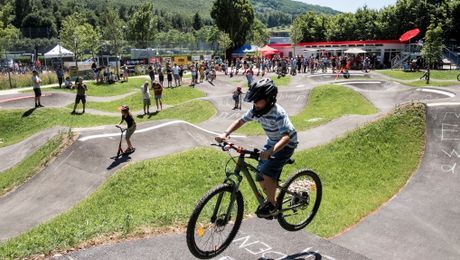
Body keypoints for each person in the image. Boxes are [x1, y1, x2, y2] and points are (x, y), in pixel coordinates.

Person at [215, 78, 298, 218]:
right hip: (272, 142)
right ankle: (272, 197)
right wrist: (225, 133)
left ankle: (272, 206)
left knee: (267, 172)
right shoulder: (256, 110)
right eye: (253, 101)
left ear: (268, 99)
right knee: (259, 175)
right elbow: (240, 121)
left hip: (286, 145)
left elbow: (286, 137)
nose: (254, 104)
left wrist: (270, 151)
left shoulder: (278, 113)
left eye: (257, 100)